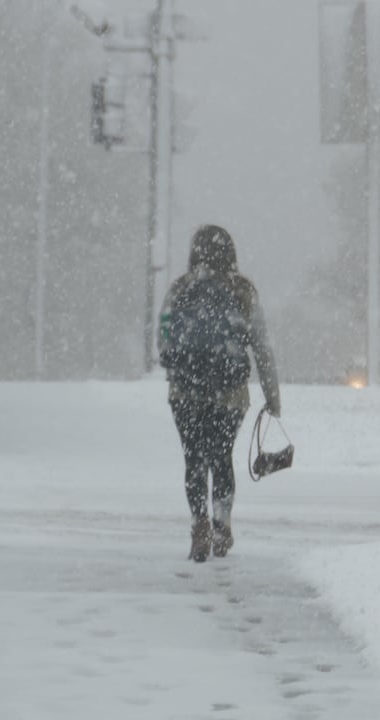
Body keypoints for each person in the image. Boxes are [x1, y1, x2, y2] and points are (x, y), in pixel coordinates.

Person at [158, 224, 281, 562]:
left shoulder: (180, 289)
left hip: (185, 393)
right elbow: (262, 347)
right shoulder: (242, 291)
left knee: (194, 459)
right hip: (229, 393)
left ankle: (199, 523)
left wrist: (181, 371)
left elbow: (163, 337)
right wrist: (273, 396)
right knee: (221, 456)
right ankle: (221, 523)